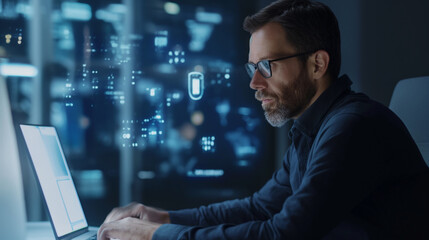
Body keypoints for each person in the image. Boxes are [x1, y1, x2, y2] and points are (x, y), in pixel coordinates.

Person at [98, 0, 429, 239]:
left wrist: (156, 235)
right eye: (251, 68)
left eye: (267, 66)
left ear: (317, 64)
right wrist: (166, 217)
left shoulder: (354, 127)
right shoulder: (311, 131)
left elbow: (283, 233)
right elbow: (260, 208)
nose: (255, 83)